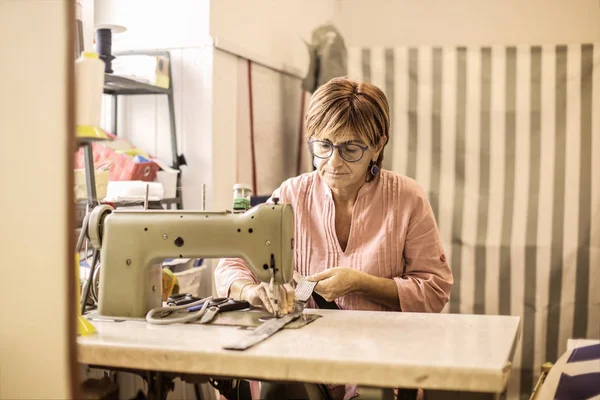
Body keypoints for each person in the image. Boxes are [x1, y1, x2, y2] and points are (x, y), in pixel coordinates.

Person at [214, 77, 453, 400]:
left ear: (378, 146)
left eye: (351, 149)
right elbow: (232, 263)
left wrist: (360, 283)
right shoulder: (291, 195)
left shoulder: (407, 199)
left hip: (383, 362)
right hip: (305, 360)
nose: (334, 163)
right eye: (323, 146)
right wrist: (252, 291)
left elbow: (435, 289)